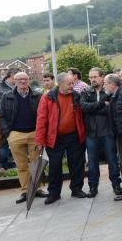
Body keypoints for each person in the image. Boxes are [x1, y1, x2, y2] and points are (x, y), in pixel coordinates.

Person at [35, 72, 87, 204]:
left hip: (74, 136)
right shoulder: (48, 97)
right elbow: (41, 120)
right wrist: (40, 141)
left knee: (77, 164)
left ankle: (76, 189)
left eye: (73, 83)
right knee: (54, 166)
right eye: (69, 84)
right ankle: (54, 193)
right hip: (55, 138)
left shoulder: (76, 96)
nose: (72, 86)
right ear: (60, 83)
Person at [0, 72, 46, 204]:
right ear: (14, 81)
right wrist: (8, 133)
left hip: (34, 133)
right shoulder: (6, 96)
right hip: (15, 134)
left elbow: (43, 114)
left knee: (36, 164)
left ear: (29, 80)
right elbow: (1, 116)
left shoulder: (37, 96)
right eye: (19, 79)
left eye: (25, 79)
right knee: (21, 165)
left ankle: (38, 189)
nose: (23, 82)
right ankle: (25, 190)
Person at [81, 67, 122, 197]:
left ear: (101, 77)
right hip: (91, 133)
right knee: (92, 162)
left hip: (107, 132)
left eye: (95, 77)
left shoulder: (108, 92)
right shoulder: (86, 92)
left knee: (112, 160)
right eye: (90, 77)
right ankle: (93, 187)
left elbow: (111, 110)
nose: (92, 79)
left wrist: (94, 108)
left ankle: (116, 185)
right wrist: (101, 104)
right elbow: (83, 108)